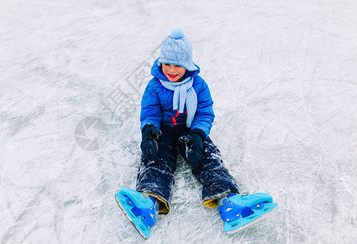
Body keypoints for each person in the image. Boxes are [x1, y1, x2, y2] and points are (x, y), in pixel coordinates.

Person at [115, 29, 278, 239]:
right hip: (162, 132)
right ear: (160, 63)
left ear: (187, 65)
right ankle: (148, 204)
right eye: (167, 64)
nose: (171, 70)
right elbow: (150, 111)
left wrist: (199, 136)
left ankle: (230, 203)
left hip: (190, 130)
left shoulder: (198, 86)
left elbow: (204, 112)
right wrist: (149, 131)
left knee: (207, 158)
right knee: (155, 159)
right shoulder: (154, 86)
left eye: (178, 65)